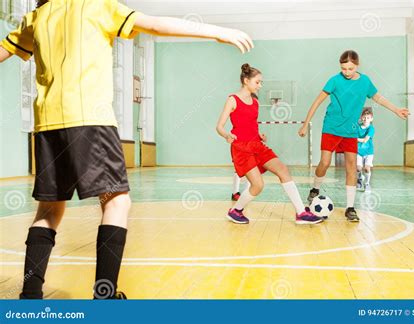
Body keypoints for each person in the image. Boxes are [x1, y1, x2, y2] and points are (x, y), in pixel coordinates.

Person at [0, 0, 253, 299]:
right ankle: (104, 297)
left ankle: (30, 296)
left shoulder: (36, 16)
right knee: (117, 202)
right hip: (90, 121)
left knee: (49, 209)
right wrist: (215, 32)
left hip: (47, 126)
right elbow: (156, 24)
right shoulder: (96, 6)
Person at [298, 50, 408, 222]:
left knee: (351, 167)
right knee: (325, 162)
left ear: (357, 65)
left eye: (350, 68)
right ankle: (315, 189)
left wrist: (396, 110)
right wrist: (305, 123)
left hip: (350, 131)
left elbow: (378, 98)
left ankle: (350, 208)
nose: (347, 72)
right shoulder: (334, 80)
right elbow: (317, 101)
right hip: (332, 127)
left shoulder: (365, 81)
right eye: (343, 69)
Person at [216, 64, 323, 225]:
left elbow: (251, 123)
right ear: (246, 81)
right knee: (258, 185)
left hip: (257, 145)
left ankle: (301, 213)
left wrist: (259, 134)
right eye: (257, 82)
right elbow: (219, 126)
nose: (260, 85)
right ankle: (236, 211)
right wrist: (226, 135)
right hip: (241, 148)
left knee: (283, 170)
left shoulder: (255, 102)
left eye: (261, 82)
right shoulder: (232, 100)